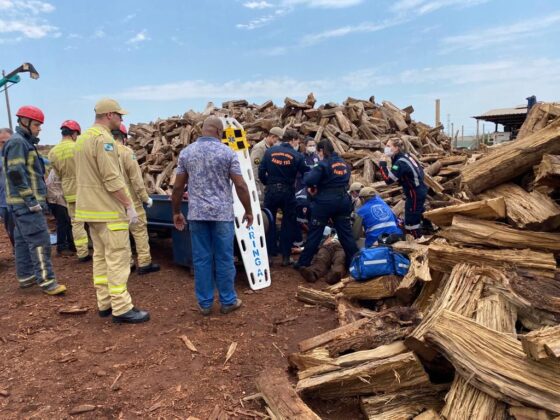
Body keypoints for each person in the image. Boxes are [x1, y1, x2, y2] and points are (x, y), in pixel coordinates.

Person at [74, 98, 149, 323]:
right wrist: (129, 206)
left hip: (90, 211)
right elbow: (111, 179)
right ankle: (122, 307)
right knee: (118, 258)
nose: (121, 119)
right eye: (119, 115)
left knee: (100, 257)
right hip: (108, 211)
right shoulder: (105, 140)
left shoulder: (82, 139)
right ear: (109, 115)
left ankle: (105, 303)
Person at [172, 116, 253, 316]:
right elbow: (241, 185)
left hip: (197, 214)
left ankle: (205, 304)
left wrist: (176, 212)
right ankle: (228, 301)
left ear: (203, 130)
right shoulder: (227, 153)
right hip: (222, 214)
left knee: (201, 259)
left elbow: (178, 186)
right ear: (219, 132)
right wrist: (249, 210)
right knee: (224, 258)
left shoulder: (187, 153)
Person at [3, 106, 66, 294]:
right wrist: (31, 201)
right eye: (37, 125)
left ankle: (26, 277)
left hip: (19, 204)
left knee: (23, 241)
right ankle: (47, 281)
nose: (39, 129)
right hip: (26, 205)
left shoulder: (22, 142)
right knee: (40, 241)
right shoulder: (18, 142)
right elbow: (15, 173)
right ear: (25, 122)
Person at [295, 138, 358, 270]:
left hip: (325, 201)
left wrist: (313, 184)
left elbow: (309, 179)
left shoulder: (323, 164)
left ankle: (303, 262)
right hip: (343, 200)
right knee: (346, 234)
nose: (318, 154)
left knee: (315, 232)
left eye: (318, 152)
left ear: (322, 150)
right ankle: (355, 262)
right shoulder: (343, 163)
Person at [111, 124, 159, 275]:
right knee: (139, 230)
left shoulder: (104, 152)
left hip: (113, 202)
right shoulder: (126, 152)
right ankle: (145, 263)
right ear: (124, 137)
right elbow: (136, 179)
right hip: (130, 199)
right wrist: (145, 198)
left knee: (121, 233)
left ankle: (128, 263)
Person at [259, 128, 309, 266]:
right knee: (288, 223)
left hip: (272, 190)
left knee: (269, 222)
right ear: (292, 140)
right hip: (288, 191)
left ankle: (269, 255)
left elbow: (261, 171)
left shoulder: (269, 152)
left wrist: (268, 183)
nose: (297, 144)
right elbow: (306, 173)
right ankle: (286, 257)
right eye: (297, 141)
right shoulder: (297, 155)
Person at [48, 120, 91, 262]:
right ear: (74, 134)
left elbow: (58, 174)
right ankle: (97, 248)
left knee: (76, 223)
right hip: (84, 188)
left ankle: (82, 253)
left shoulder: (53, 152)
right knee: (93, 220)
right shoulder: (78, 147)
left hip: (68, 190)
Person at [378, 138, 428, 238]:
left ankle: (416, 240)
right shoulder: (406, 156)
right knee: (418, 212)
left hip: (415, 192)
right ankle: (428, 230)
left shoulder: (400, 162)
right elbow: (421, 171)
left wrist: (382, 165)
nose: (386, 148)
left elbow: (389, 180)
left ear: (396, 148)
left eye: (388, 146)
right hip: (418, 189)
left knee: (411, 220)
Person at [46, 169, 75, 256]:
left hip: (56, 196)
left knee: (68, 222)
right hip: (56, 197)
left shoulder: (59, 167)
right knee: (63, 222)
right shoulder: (64, 168)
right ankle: (62, 247)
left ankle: (71, 245)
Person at [251, 127, 283, 204]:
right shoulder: (260, 148)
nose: (277, 142)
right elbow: (255, 167)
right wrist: (257, 187)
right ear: (272, 137)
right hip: (259, 184)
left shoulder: (271, 148)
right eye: (277, 139)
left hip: (266, 183)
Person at [0, 128, 15, 248]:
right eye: (2, 142)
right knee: (11, 230)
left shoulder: (20, 154)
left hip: (22, 201)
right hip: (4, 203)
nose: (5, 145)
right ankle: (17, 251)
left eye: (7, 141)